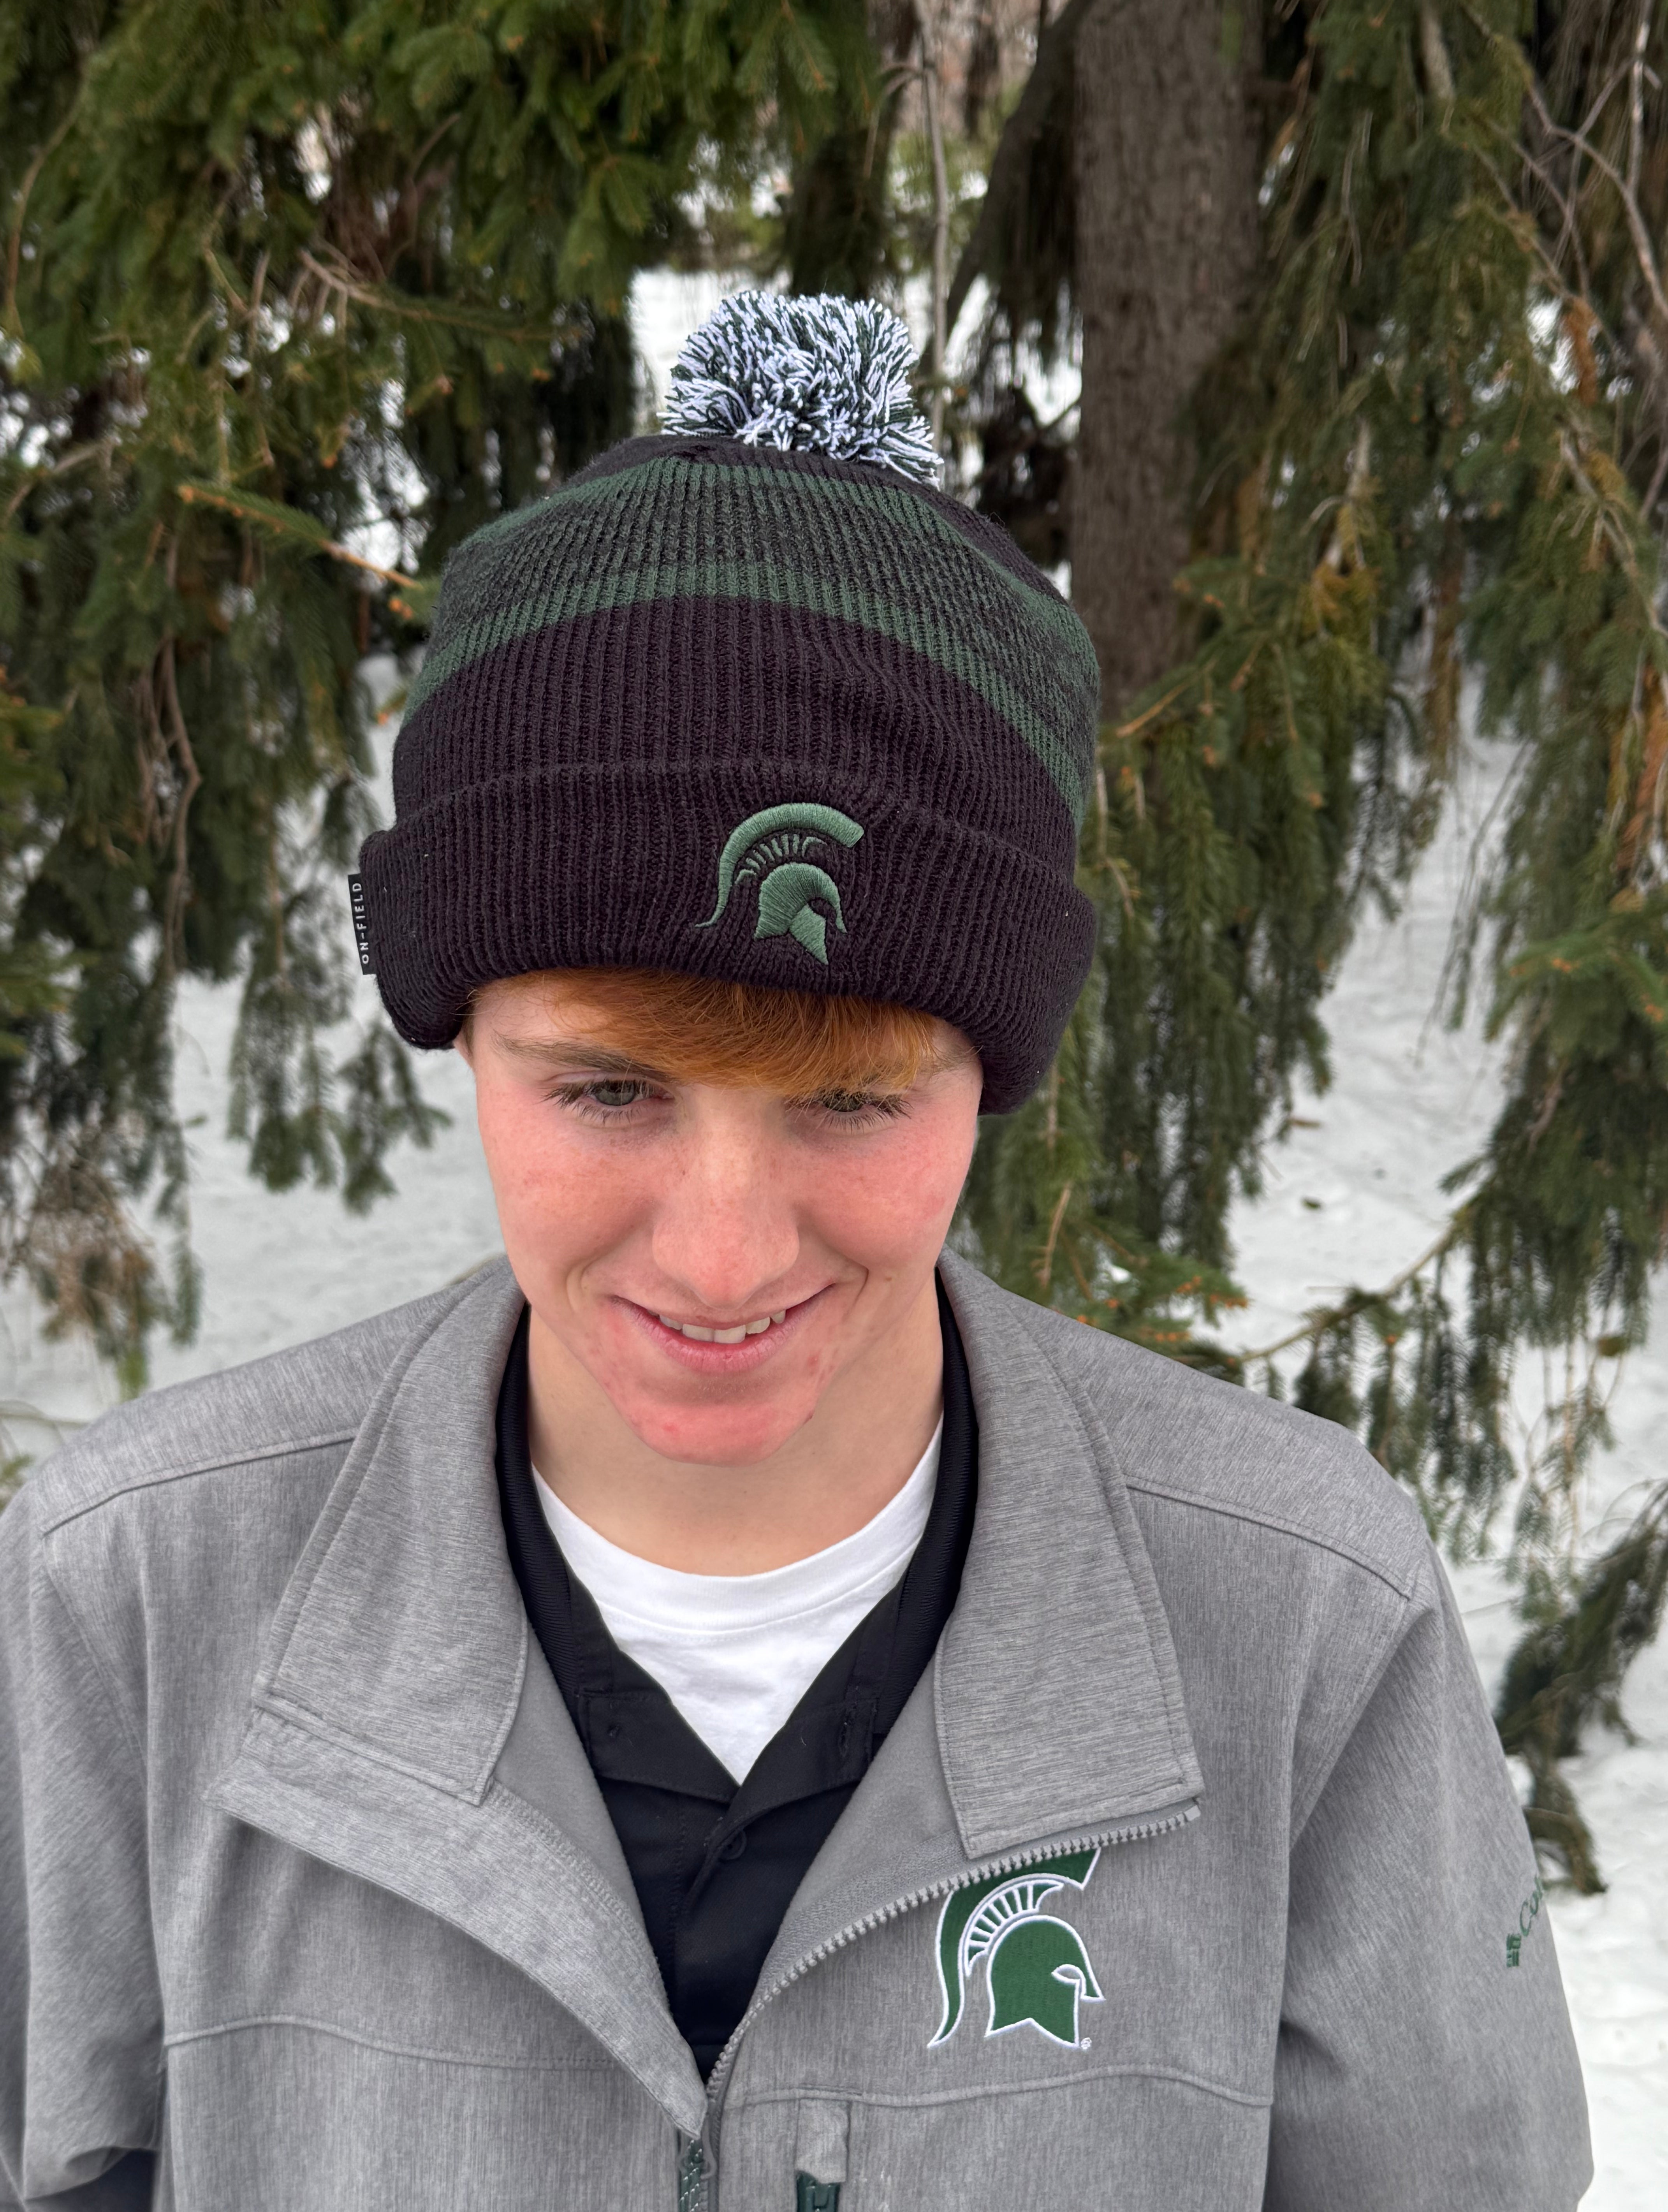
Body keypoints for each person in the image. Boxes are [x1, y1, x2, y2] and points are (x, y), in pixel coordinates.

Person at [0, 294, 1589, 2212]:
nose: (726, 1247)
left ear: (991, 1073)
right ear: (459, 1037)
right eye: (607, 1093)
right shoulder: (130, 1603)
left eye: (850, 1102)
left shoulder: (1304, 1627)